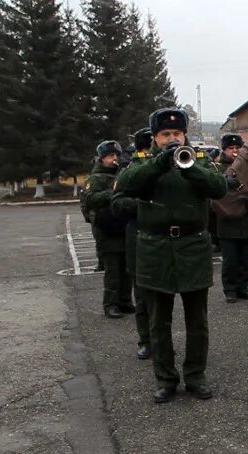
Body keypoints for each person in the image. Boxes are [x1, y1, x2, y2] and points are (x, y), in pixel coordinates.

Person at [113, 107, 228, 403]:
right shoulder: (143, 163)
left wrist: (190, 169)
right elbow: (125, 187)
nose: (172, 138)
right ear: (155, 137)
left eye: (177, 133)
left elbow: (219, 188)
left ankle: (195, 376)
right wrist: (160, 164)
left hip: (192, 246)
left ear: (185, 134)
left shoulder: (198, 160)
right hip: (155, 248)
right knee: (158, 321)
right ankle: (165, 379)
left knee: (197, 320)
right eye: (166, 134)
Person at [111, 127, 154, 359]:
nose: (150, 154)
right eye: (146, 150)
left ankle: (163, 340)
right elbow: (118, 204)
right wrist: (145, 207)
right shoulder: (128, 170)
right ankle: (146, 340)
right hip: (139, 238)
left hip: (164, 242)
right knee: (144, 297)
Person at [82, 140, 133, 319]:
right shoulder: (95, 179)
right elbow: (90, 199)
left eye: (116, 156)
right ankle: (111, 304)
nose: (114, 159)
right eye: (111, 156)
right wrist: (113, 192)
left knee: (127, 269)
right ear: (101, 158)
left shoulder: (121, 174)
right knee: (113, 271)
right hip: (107, 230)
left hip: (123, 227)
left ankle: (125, 301)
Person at [215, 134, 248, 303]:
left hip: (247, 219)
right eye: (230, 148)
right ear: (224, 150)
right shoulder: (218, 168)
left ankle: (243, 287)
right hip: (228, 220)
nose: (234, 151)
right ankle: (230, 289)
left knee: (245, 258)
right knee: (230, 259)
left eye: (237, 148)